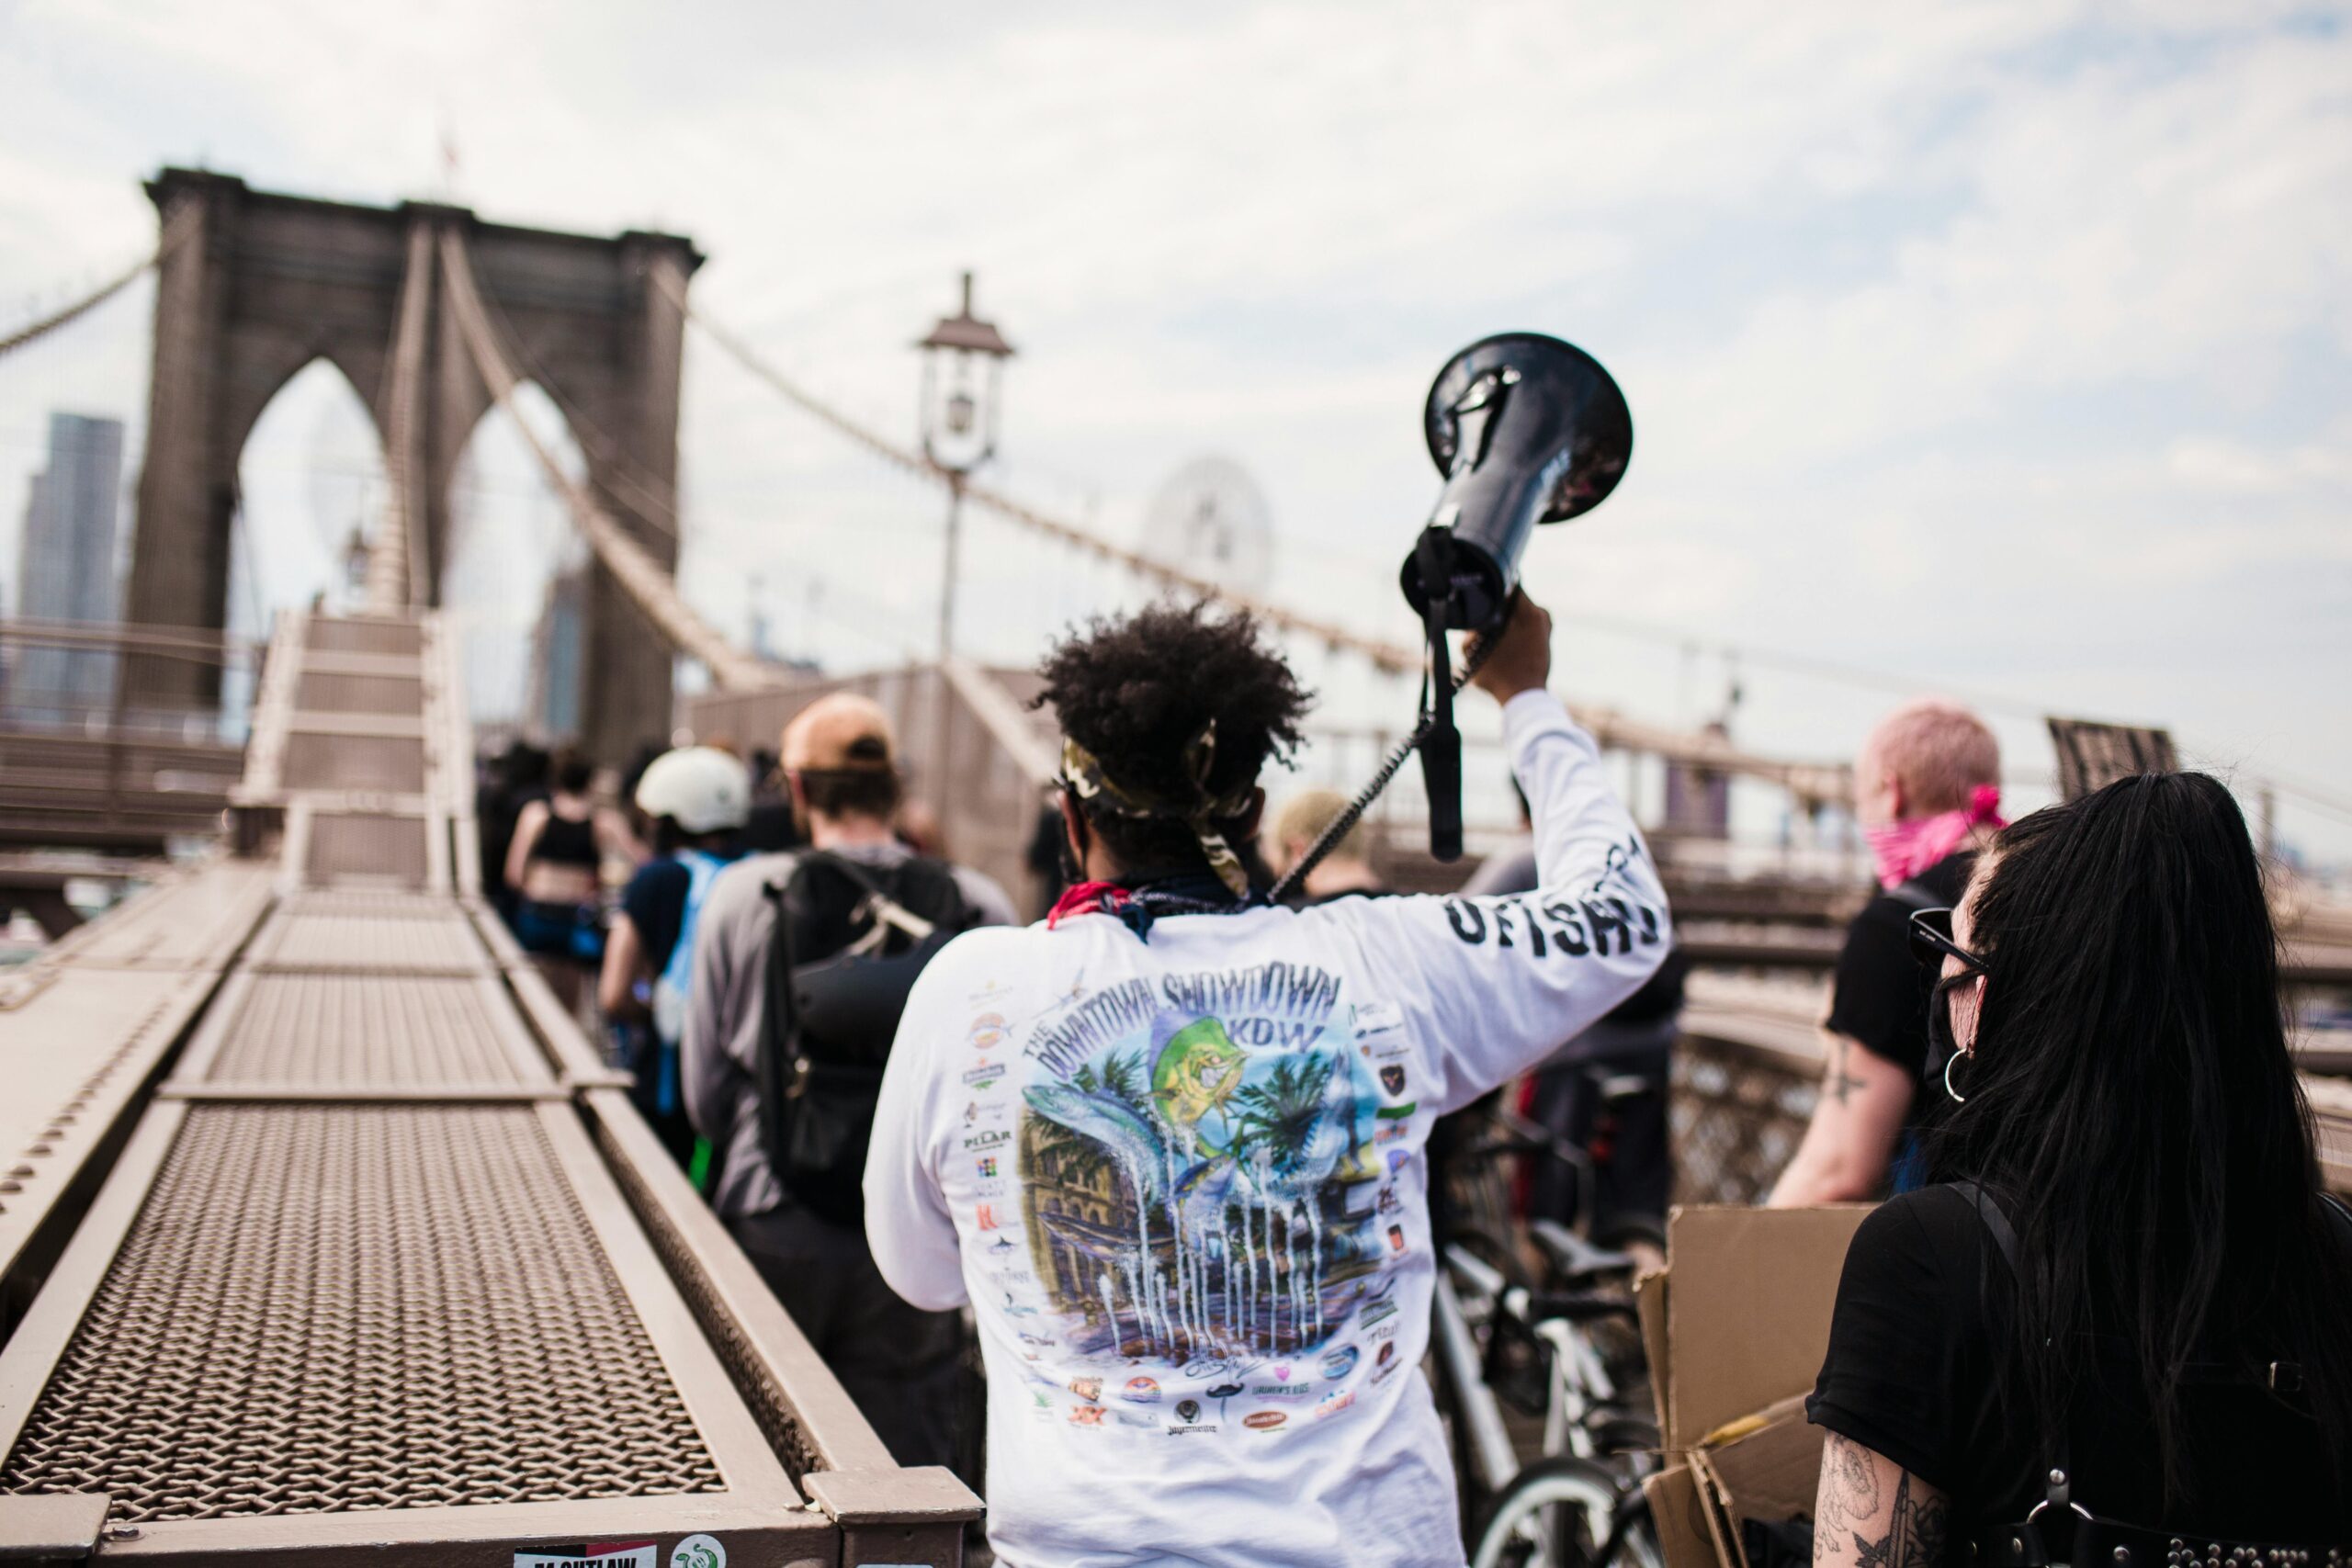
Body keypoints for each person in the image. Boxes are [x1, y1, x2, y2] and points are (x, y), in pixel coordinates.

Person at [863, 595, 1669, 1568]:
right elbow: (1619, 917)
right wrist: (1525, 698)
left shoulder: (970, 990)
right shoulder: (1386, 960)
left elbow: (919, 1273)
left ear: (1072, 818)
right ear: (1250, 809)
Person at [1809, 772, 2352, 1553]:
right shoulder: (2333, 1257)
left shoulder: (1927, 1258)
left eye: (1953, 953)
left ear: (2015, 995)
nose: (1942, 988)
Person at [683, 693, 1016, 1466]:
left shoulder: (746, 895)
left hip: (775, 1211)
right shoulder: (975, 903)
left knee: (760, 1454)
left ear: (797, 789)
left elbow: (704, 1086)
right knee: (901, 1471)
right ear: (896, 787)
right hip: (918, 1244)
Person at [1770, 699, 2004, 1206]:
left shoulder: (1897, 925)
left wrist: (1727, 1263)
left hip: (1965, 1248)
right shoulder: (2054, 892)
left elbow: (1838, 1169)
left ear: (1891, 792)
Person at [601, 746, 749, 1172]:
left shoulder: (658, 877)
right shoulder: (759, 874)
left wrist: (664, 1012)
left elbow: (615, 994)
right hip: (740, 1085)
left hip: (669, 1080)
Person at [505, 750, 628, 1011]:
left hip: (537, 915)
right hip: (575, 920)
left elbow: (514, 874)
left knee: (533, 1002)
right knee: (568, 1008)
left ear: (554, 780)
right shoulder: (603, 822)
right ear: (590, 782)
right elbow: (640, 858)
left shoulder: (536, 815)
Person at [1263, 786, 1388, 904]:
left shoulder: (1293, 921)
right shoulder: (1402, 914)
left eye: (1281, 871)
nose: (1278, 876)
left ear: (1299, 850)